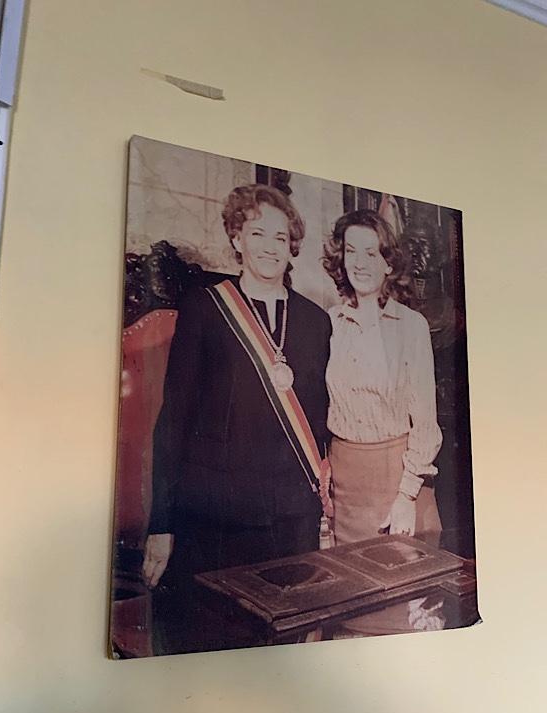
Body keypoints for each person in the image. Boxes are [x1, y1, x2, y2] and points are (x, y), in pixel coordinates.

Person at [143, 184, 331, 654]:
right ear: (236, 238)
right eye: (257, 233)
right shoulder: (205, 309)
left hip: (291, 519)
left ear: (292, 246)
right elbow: (173, 421)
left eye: (280, 237)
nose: (270, 246)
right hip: (216, 519)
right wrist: (161, 523)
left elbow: (321, 422)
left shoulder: (316, 321)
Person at [323, 209, 443, 545]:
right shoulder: (329, 323)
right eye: (351, 251)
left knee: (404, 573)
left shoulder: (411, 326)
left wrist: (406, 496)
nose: (360, 263)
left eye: (371, 253)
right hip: (345, 483)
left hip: (398, 479)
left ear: (388, 263)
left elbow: (426, 423)